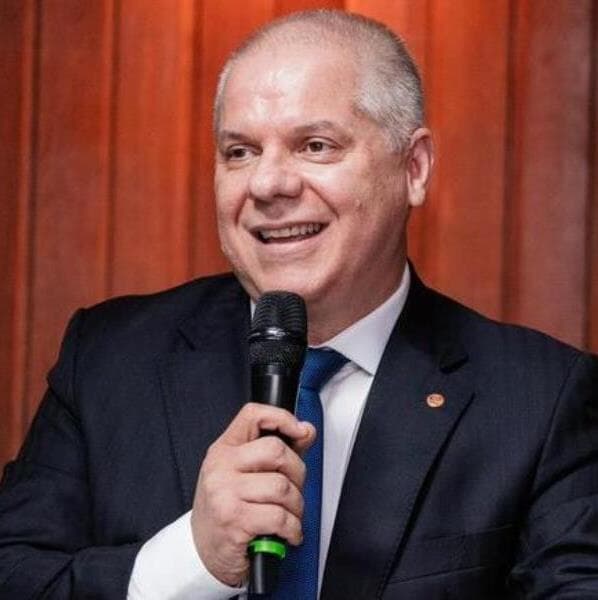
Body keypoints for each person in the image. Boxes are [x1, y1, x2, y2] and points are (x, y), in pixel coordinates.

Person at [1, 9, 597, 599]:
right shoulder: (107, 358)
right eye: (240, 152)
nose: (268, 184)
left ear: (413, 168)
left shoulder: (541, 401)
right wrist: (192, 559)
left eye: (315, 145)